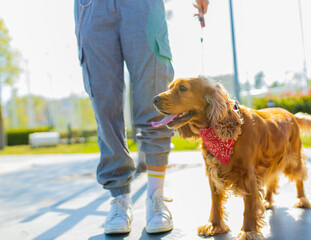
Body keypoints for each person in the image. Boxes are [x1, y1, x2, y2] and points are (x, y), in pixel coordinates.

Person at [74, 0, 209, 234]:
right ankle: (119, 199)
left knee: (155, 99)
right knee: (104, 103)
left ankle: (155, 197)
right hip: (92, 6)